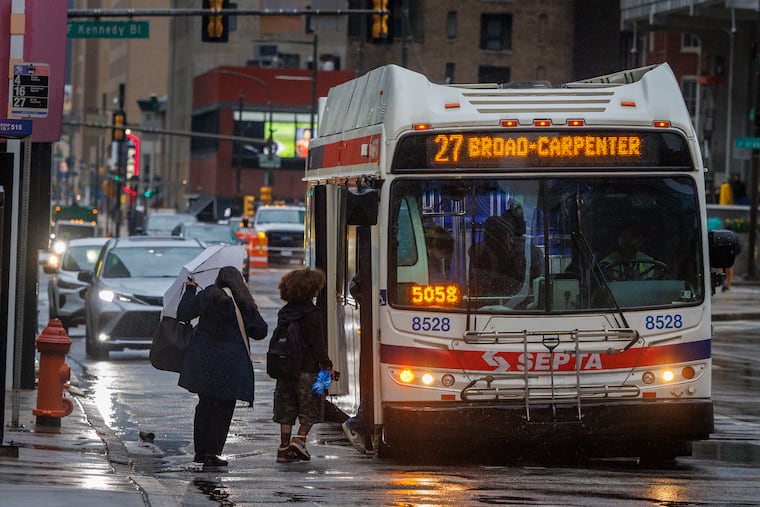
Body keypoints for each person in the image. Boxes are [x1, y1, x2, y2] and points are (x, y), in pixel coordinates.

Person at [177, 266, 268, 467]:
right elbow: (260, 331)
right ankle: (213, 452)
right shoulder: (242, 301)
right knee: (223, 409)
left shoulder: (207, 294)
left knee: (205, 406)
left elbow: (183, 313)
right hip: (231, 365)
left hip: (204, 362)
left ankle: (200, 452)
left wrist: (190, 290)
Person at [273, 267, 333, 463]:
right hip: (308, 369)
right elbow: (317, 343)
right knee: (313, 405)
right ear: (311, 289)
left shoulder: (284, 312)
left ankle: (283, 448)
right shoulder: (312, 313)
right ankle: (299, 440)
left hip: (286, 369)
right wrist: (326, 363)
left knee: (286, 408)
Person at [468, 210, 526, 297]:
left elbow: (476, 281)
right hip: (513, 301)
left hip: (481, 302)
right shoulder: (519, 252)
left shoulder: (478, 251)